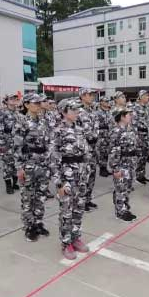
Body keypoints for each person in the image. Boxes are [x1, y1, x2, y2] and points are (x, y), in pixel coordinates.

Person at [51, 98, 91, 260]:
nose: (77, 112)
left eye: (77, 110)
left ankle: (75, 237)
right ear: (63, 112)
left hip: (81, 175)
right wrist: (59, 183)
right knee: (66, 211)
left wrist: (87, 171)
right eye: (73, 110)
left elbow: (86, 153)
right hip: (67, 177)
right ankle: (66, 243)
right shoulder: (58, 131)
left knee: (78, 209)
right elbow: (53, 159)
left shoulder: (80, 129)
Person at [13, 93, 51, 242]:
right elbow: (17, 147)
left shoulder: (44, 121)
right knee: (28, 197)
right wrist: (19, 167)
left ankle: (38, 222)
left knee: (41, 195)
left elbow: (48, 143)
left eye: (39, 103)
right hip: (28, 164)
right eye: (35, 103)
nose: (38, 105)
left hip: (43, 164)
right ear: (27, 105)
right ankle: (29, 226)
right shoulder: (21, 122)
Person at [108, 106, 138, 222]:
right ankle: (120, 212)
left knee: (128, 187)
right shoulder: (116, 131)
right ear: (121, 117)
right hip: (121, 163)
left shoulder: (130, 129)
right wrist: (115, 168)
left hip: (131, 162)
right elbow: (113, 151)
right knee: (121, 188)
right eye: (128, 114)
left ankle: (124, 205)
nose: (131, 116)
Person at [0, 93, 21, 194]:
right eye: (11, 98)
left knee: (16, 163)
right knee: (7, 165)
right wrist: (1, 145)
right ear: (6, 101)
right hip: (6, 143)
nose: (14, 100)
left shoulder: (17, 113)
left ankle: (15, 183)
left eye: (15, 98)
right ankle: (8, 185)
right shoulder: (2, 113)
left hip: (17, 143)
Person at [77, 88, 100, 211]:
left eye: (92, 95)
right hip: (83, 149)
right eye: (89, 95)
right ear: (82, 96)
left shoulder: (92, 111)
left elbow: (96, 129)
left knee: (92, 175)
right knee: (83, 177)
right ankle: (81, 201)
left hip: (93, 148)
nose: (92, 97)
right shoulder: (78, 111)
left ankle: (88, 199)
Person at [133, 90, 149, 184]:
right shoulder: (135, 107)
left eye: (148, 95)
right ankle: (138, 176)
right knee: (139, 156)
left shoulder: (147, 107)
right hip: (139, 134)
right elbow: (133, 123)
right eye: (146, 95)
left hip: (146, 134)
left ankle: (142, 175)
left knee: (144, 156)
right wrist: (136, 136)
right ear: (140, 97)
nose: (148, 97)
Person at [96, 96, 113, 177]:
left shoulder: (109, 112)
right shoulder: (97, 112)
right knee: (102, 152)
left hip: (108, 134)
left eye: (108, 101)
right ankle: (102, 169)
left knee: (106, 152)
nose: (107, 103)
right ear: (101, 102)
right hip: (101, 134)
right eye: (106, 101)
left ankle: (105, 168)